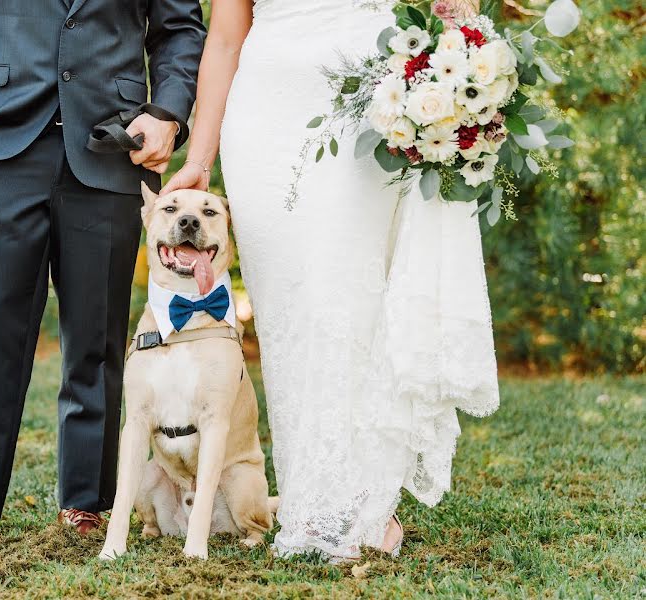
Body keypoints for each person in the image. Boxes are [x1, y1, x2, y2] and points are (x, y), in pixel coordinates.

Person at [163, 0, 499, 562]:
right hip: (264, 117)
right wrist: (201, 155)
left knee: (346, 299)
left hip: (369, 107)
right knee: (288, 310)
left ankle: (367, 501)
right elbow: (224, 39)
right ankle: (312, 499)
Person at [0, 0, 205, 553]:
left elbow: (180, 27)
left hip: (111, 147)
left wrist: (166, 111)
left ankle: (86, 503)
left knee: (97, 337)